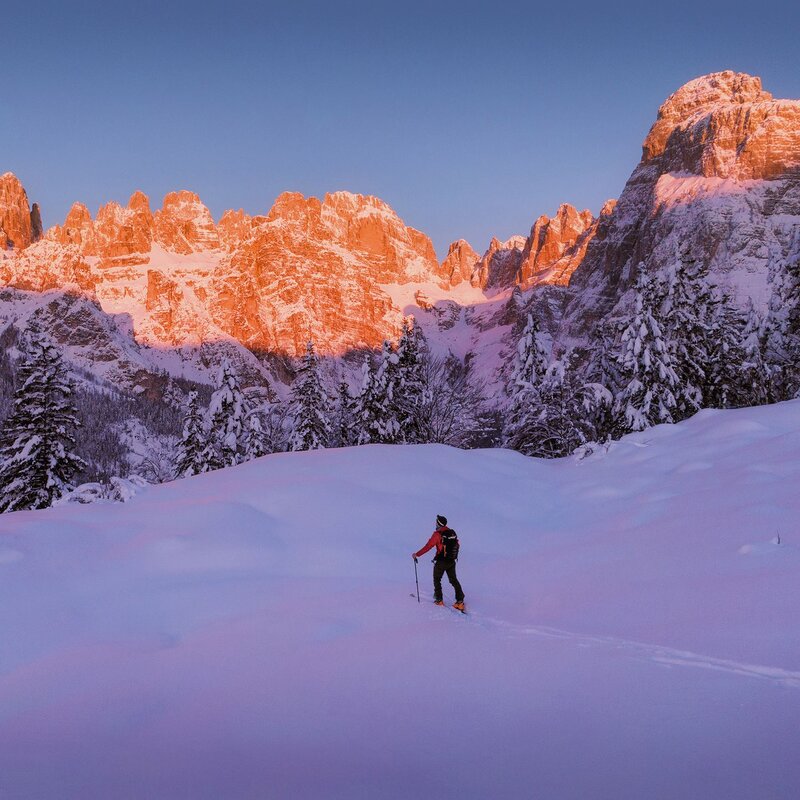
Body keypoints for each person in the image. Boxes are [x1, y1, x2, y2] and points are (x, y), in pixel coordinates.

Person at [412, 515, 465, 611]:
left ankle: (439, 600)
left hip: (441, 561)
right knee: (453, 580)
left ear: (438, 524)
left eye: (436, 522)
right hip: (452, 560)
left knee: (437, 579)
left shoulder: (437, 534)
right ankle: (460, 602)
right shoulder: (451, 532)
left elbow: (428, 546)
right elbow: (457, 544)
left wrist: (417, 554)